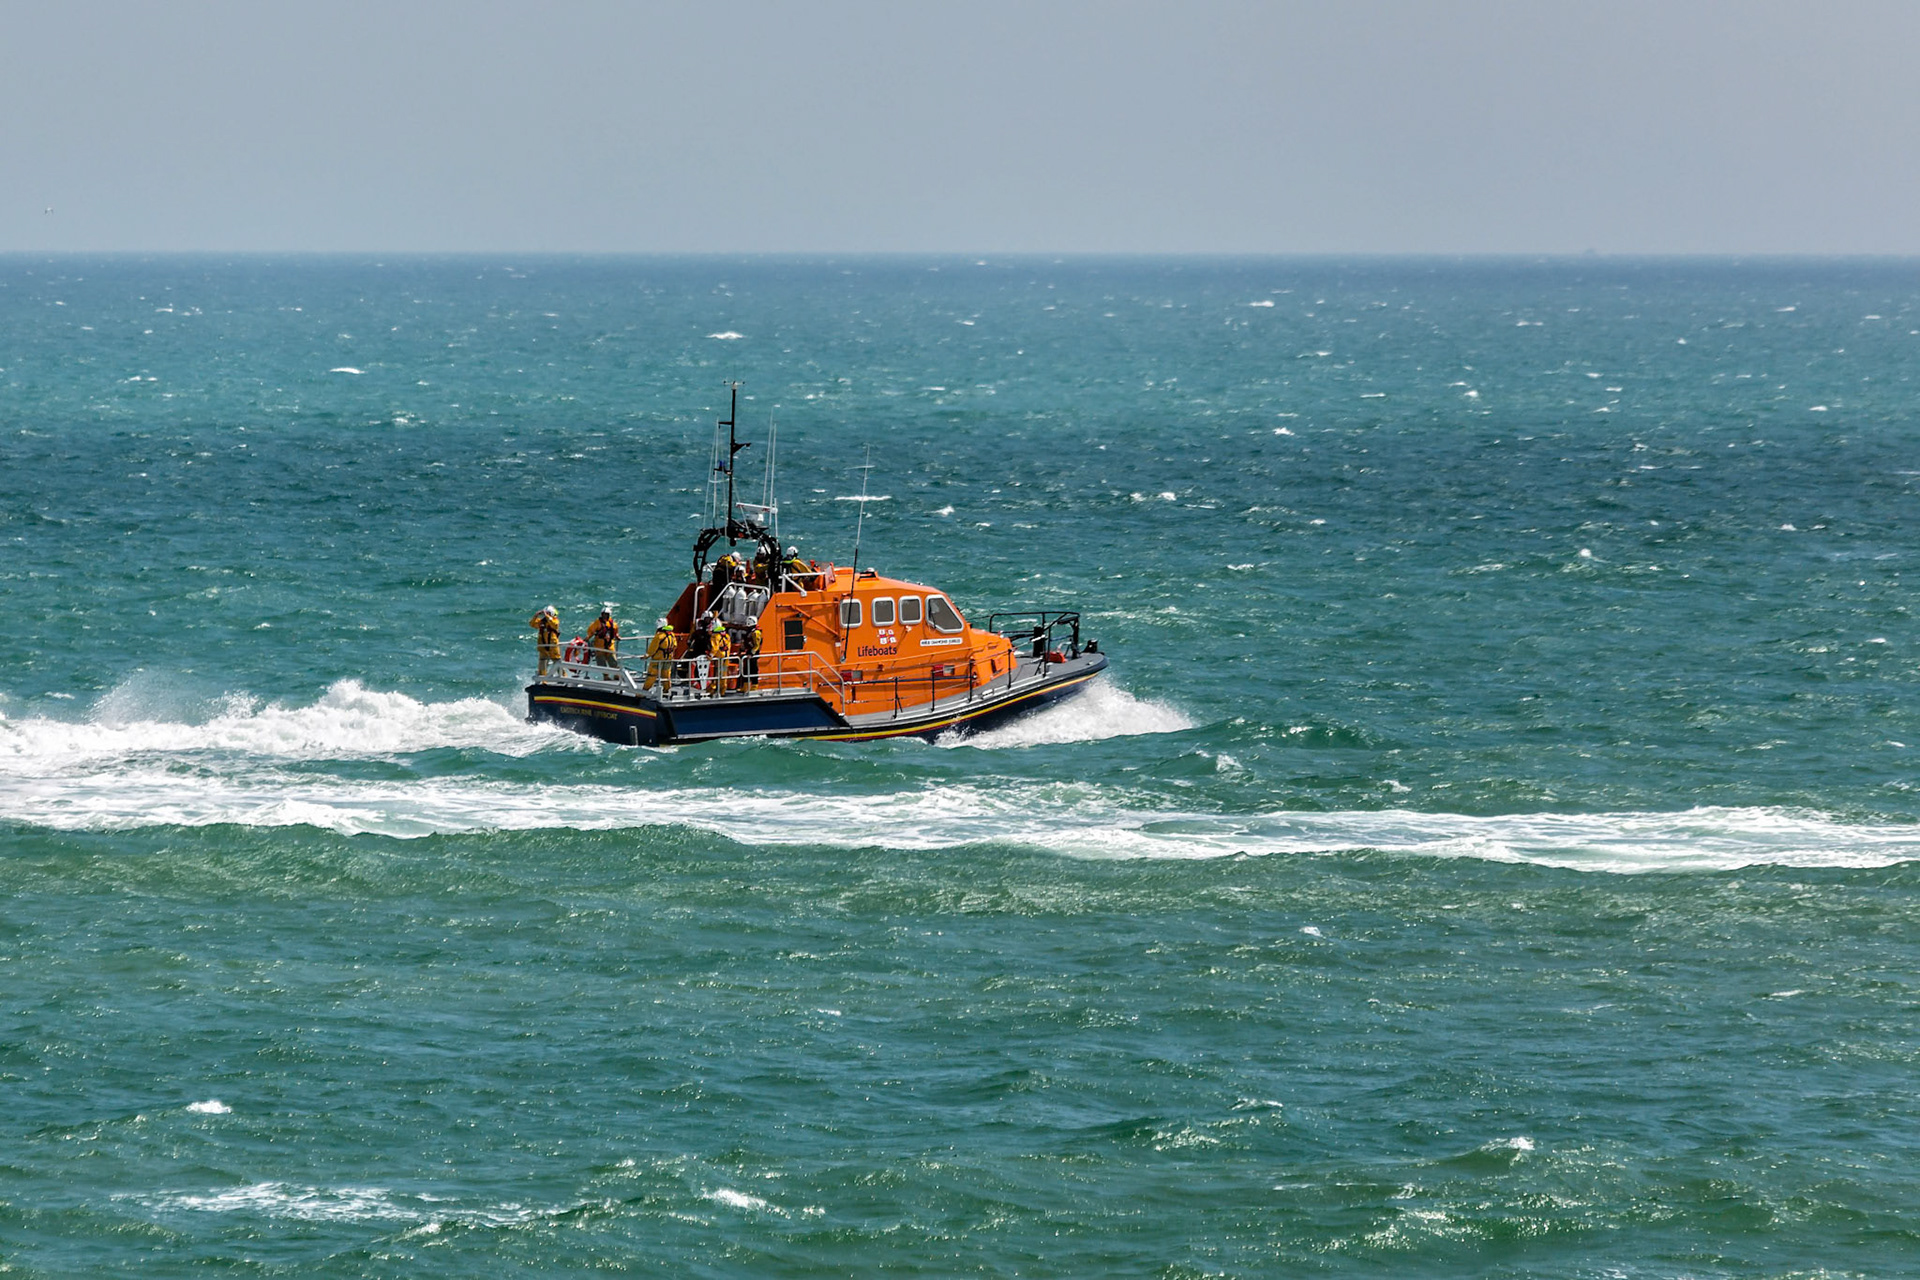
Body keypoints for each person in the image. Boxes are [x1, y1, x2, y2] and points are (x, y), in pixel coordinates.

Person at [642, 618, 678, 693]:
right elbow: (675, 645)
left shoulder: (659, 636)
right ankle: (666, 690)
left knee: (652, 675)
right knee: (666, 675)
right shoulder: (672, 635)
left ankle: (644, 691)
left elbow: (652, 648)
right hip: (668, 658)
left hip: (658, 659)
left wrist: (646, 655)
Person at [686, 611, 715, 697]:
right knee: (694, 664)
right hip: (697, 646)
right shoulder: (697, 624)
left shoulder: (712, 626)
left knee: (706, 665)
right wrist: (689, 640)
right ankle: (695, 681)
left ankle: (707, 684)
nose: (708, 620)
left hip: (706, 648)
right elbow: (692, 633)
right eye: (707, 619)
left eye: (709, 619)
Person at [528, 605, 561, 676]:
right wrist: (536, 615)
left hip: (553, 646)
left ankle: (562, 676)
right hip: (543, 645)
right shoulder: (541, 622)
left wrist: (547, 616)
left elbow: (554, 625)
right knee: (542, 661)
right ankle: (543, 678)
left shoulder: (555, 620)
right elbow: (532, 624)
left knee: (557, 660)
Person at [735, 619, 762, 694]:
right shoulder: (749, 632)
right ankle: (745, 686)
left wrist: (752, 653)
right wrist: (741, 649)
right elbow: (746, 642)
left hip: (753, 654)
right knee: (746, 670)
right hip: (748, 653)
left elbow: (757, 645)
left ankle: (754, 686)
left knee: (754, 670)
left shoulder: (756, 633)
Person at [707, 620, 732, 696]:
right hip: (726, 657)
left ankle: (714, 689)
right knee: (723, 675)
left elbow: (715, 648)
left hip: (719, 658)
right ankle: (722, 690)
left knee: (717, 673)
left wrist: (710, 655)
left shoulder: (715, 636)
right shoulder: (726, 636)